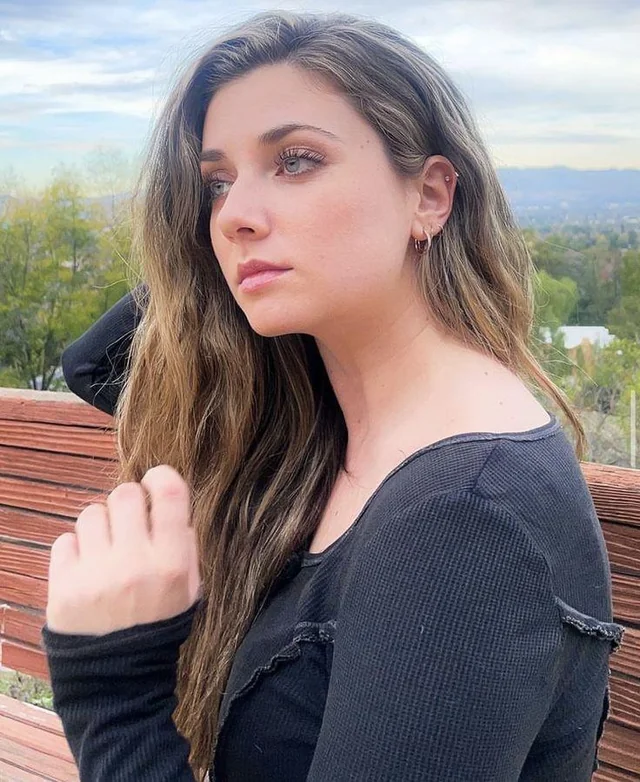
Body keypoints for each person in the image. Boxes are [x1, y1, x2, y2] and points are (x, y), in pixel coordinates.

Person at [41, 10, 624, 782]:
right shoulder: (330, 427)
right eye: (217, 182)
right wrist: (197, 265)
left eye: (295, 161)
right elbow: (95, 367)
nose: (233, 216)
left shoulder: (466, 520)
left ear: (431, 196)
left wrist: (110, 693)